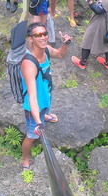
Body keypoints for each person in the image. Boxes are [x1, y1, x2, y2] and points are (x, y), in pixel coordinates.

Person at [21, 21, 72, 169]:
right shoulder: (29, 64)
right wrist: (38, 122)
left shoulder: (47, 50)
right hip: (34, 107)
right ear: (31, 39)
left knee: (47, 107)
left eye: (45, 34)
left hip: (46, 94)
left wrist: (65, 44)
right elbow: (32, 97)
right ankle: (25, 159)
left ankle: (46, 115)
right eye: (38, 35)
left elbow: (61, 55)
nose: (43, 37)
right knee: (32, 136)